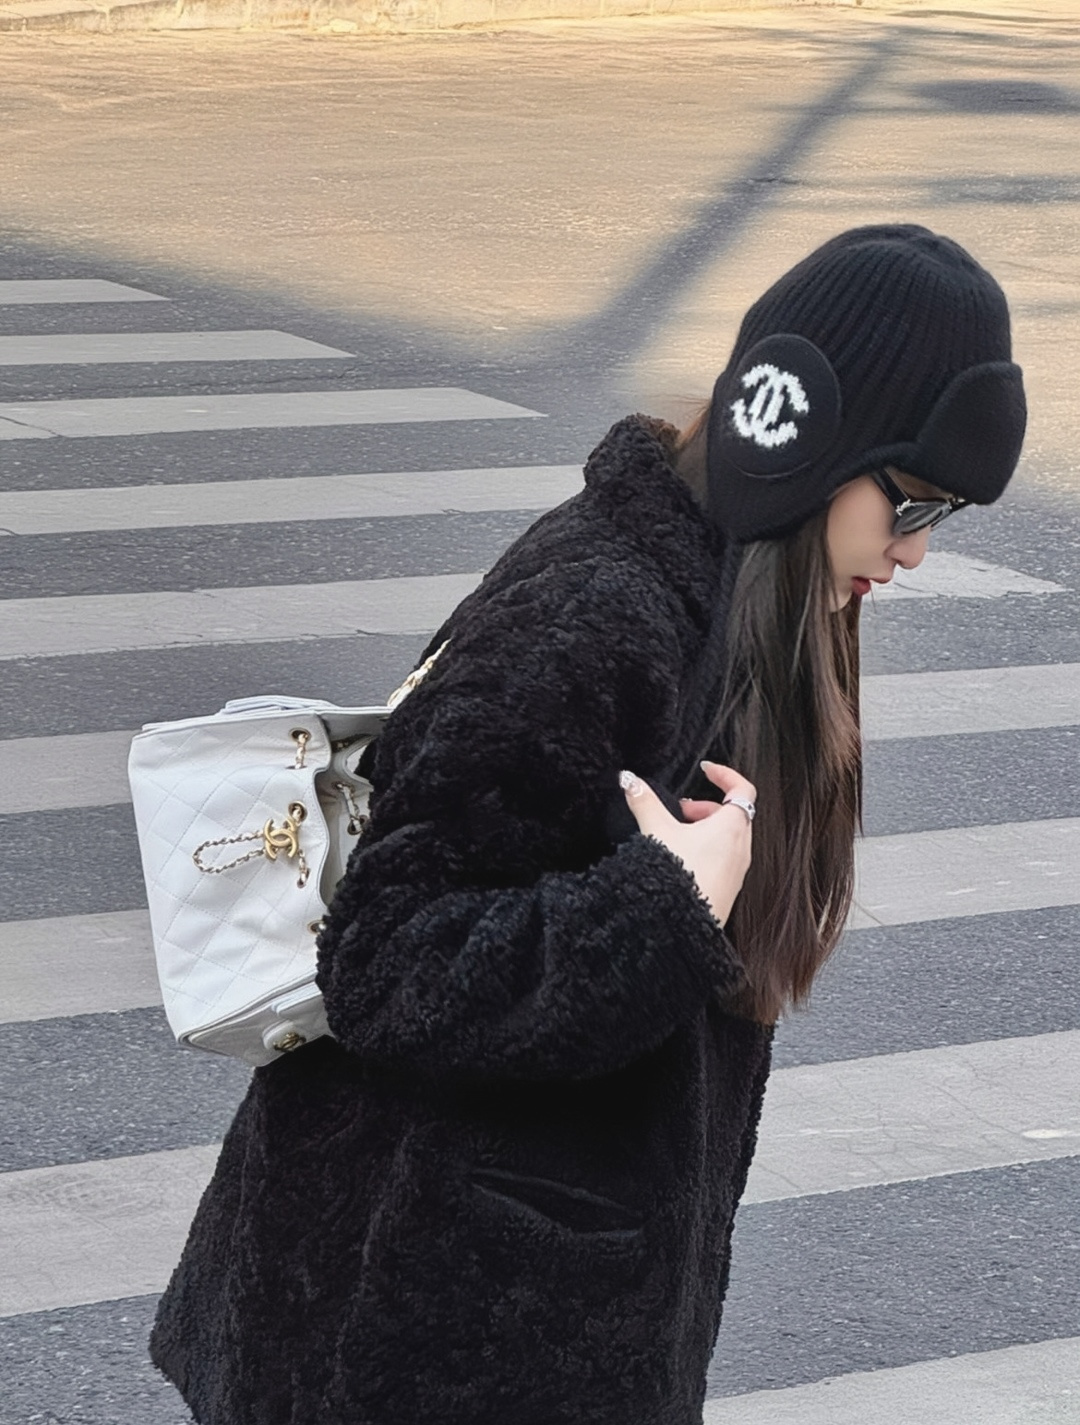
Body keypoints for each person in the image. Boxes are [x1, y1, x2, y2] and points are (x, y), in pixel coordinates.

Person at [150, 224, 1027, 1425]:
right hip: (408, 1334)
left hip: (525, 1314)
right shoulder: (594, 617)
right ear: (807, 436)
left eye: (946, 515)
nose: (916, 553)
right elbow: (385, 958)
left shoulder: (725, 606)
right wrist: (658, 909)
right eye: (910, 502)